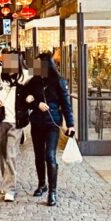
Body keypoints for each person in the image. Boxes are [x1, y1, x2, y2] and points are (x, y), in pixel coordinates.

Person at [0, 50, 33, 202]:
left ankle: (10, 188)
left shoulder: (26, 77)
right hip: (0, 120)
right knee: (2, 153)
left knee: (11, 153)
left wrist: (29, 100)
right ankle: (6, 182)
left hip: (16, 122)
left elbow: (34, 93)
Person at [28, 51, 74, 207]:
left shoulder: (58, 81)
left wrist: (70, 124)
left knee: (50, 156)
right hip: (36, 123)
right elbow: (25, 99)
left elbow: (66, 104)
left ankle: (52, 192)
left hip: (52, 123)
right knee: (39, 155)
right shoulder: (33, 81)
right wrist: (36, 104)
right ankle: (42, 184)